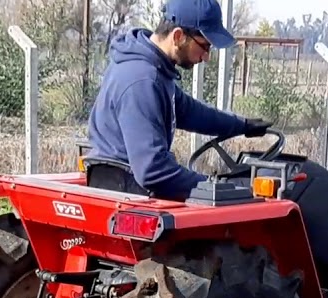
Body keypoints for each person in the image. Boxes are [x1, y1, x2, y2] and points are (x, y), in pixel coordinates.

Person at [86, 0, 272, 201]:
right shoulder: (142, 80)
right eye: (204, 46)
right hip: (126, 191)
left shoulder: (155, 69)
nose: (207, 57)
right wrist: (215, 187)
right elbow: (153, 170)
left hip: (127, 186)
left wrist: (242, 125)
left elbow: (191, 112)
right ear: (178, 36)